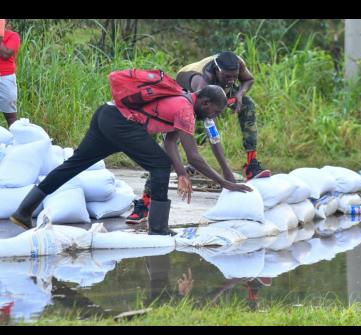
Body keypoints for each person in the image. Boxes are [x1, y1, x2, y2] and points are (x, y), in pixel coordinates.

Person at [10, 81, 251, 235]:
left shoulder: (182, 101)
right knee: (159, 164)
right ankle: (158, 228)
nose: (214, 116)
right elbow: (194, 157)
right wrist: (226, 184)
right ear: (206, 102)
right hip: (120, 122)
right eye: (215, 112)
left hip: (106, 114)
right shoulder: (185, 109)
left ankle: (23, 211)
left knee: (74, 165)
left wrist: (180, 172)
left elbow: (170, 143)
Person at [126, 51, 270, 224]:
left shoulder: (236, 64)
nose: (232, 80)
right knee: (167, 149)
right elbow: (212, 133)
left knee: (248, 104)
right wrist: (226, 174)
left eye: (234, 76)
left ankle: (251, 164)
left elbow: (248, 80)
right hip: (185, 94)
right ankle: (145, 202)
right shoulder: (202, 83)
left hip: (216, 93)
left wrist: (239, 94)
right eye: (227, 76)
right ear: (217, 71)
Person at [0, 19, 20, 128]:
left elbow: (5, 54)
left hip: (5, 78)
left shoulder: (13, 36)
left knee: (11, 117)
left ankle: (16, 142)